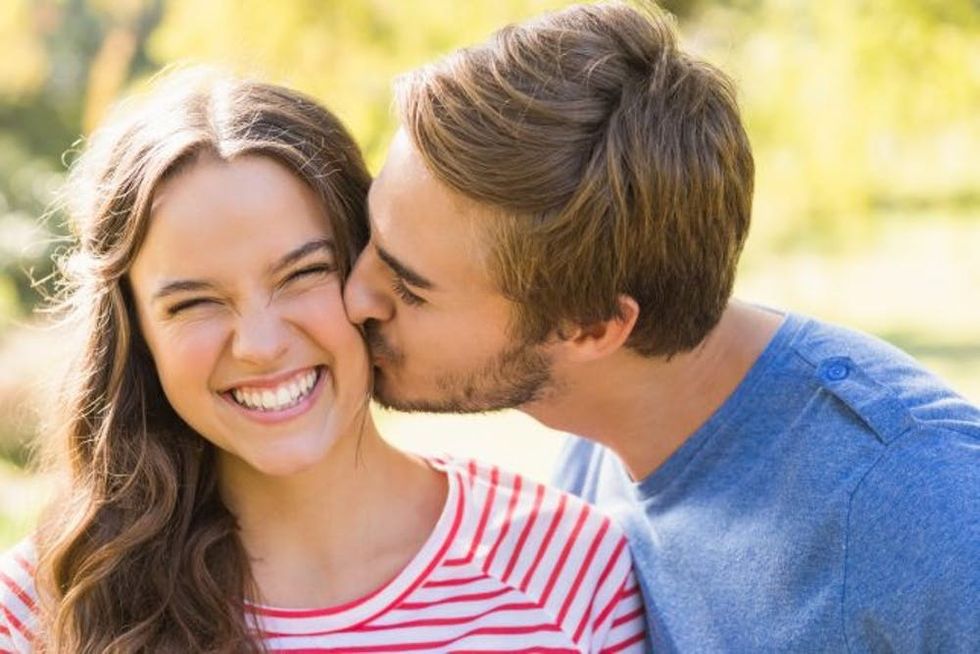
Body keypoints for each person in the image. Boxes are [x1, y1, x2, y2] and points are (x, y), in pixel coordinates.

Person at [343, 2, 980, 652]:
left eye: (408, 288)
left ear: (592, 327)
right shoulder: (601, 432)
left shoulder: (919, 500)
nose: (354, 296)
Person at [0, 68, 646, 652]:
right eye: (195, 303)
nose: (258, 343)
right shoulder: (44, 608)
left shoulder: (568, 568)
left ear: (371, 269)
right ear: (138, 334)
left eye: (302, 274)